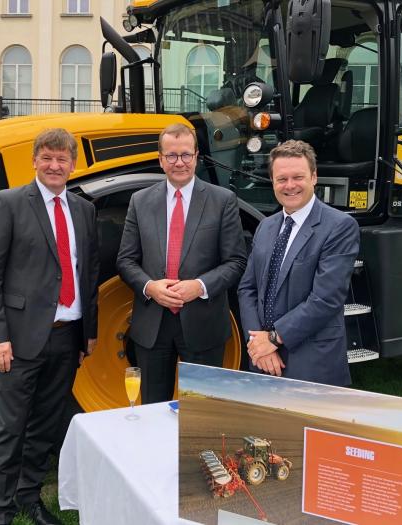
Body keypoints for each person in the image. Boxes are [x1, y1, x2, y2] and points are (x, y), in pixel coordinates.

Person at [0, 128, 99, 525]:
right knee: (10, 428)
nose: (54, 166)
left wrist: (88, 332)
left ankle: (28, 496)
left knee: (45, 425)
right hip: (20, 339)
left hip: (67, 336)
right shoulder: (9, 203)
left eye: (62, 159)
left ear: (73, 164)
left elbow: (88, 273)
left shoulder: (84, 210)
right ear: (34, 160)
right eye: (47, 157)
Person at [116, 123, 247, 403]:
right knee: (152, 410)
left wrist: (199, 286)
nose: (180, 162)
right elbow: (126, 260)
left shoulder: (222, 200)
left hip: (203, 324)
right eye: (172, 156)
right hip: (153, 325)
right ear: (161, 159)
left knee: (202, 413)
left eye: (186, 155)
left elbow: (236, 261)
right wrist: (150, 287)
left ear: (197, 156)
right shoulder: (140, 201)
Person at [237, 139, 360, 386]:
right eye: (281, 179)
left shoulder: (339, 227)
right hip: (263, 359)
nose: (290, 185)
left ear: (314, 177)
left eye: (298, 177)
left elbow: (325, 299)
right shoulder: (265, 226)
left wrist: (272, 339)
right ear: (272, 181)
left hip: (311, 363)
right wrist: (257, 343)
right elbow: (247, 289)